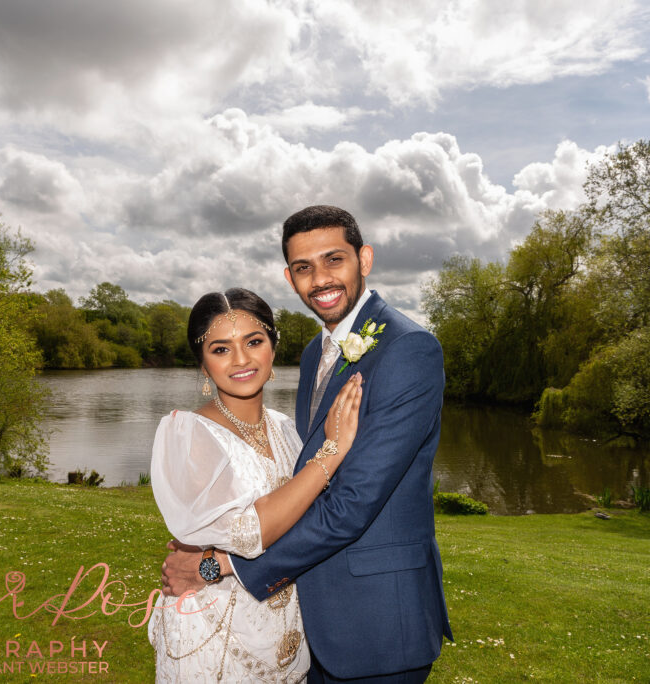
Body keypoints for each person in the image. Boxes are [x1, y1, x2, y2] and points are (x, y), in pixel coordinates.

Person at [162, 206, 453, 682]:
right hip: (305, 620)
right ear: (289, 277)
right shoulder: (317, 351)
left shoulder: (408, 350)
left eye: (334, 259)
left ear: (365, 259)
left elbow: (351, 504)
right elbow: (302, 483)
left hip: (376, 625)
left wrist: (217, 567)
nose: (320, 279)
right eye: (303, 268)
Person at [148, 287, 364, 682]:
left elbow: (312, 522)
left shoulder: (288, 429)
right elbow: (250, 532)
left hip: (286, 633)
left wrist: (210, 564)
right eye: (220, 349)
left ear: (273, 348)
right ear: (202, 364)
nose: (242, 360)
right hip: (215, 635)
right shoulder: (188, 433)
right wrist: (331, 453)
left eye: (254, 341)